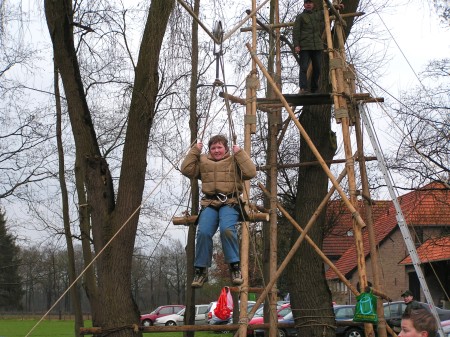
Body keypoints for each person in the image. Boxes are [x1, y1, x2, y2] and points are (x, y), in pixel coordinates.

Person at [180, 135, 256, 288]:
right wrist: (195, 151)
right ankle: (201, 270)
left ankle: (235, 267)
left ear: (226, 148)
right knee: (203, 232)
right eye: (213, 148)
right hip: (210, 202)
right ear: (209, 149)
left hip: (230, 202)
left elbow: (250, 172)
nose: (216, 151)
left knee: (227, 230)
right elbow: (186, 169)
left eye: (219, 147)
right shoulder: (203, 161)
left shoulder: (234, 160)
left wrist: (239, 152)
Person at [293, 0, 325, 94]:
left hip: (317, 46)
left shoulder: (317, 15)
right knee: (303, 67)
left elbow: (328, 11)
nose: (308, 5)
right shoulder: (300, 17)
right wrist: (296, 45)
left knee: (318, 68)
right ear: (304, 5)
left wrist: (336, 7)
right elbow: (296, 32)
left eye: (310, 3)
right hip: (305, 47)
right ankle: (303, 88)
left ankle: (314, 88)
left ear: (313, 4)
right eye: (306, 3)